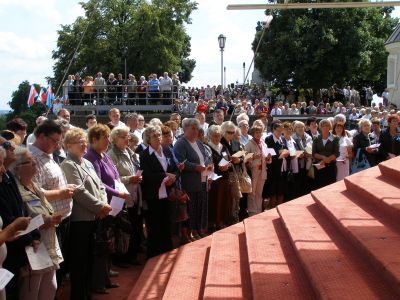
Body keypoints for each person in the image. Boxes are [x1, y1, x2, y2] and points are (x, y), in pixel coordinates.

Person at [60, 128, 111, 300]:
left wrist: (103, 203)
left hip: (94, 217)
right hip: (80, 220)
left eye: (84, 141)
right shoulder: (68, 165)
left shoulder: (87, 162)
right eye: (79, 142)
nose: (84, 144)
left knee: (90, 259)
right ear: (68, 146)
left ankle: (87, 293)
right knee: (79, 261)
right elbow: (79, 192)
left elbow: (101, 185)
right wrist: (100, 207)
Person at [10, 147, 63, 300]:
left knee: (50, 289)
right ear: (17, 168)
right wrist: (43, 222)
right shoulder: (16, 191)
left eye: (34, 160)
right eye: (29, 161)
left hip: (49, 244)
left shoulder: (35, 186)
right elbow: (18, 223)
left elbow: (46, 210)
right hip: (33, 248)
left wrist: (51, 219)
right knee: (32, 293)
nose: (34, 163)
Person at [84, 124, 130, 290]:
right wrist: (118, 193)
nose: (108, 141)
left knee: (109, 242)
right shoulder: (91, 157)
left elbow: (115, 176)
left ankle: (105, 277)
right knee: (101, 245)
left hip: (114, 204)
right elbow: (99, 182)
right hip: (103, 206)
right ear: (94, 139)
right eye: (105, 138)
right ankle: (99, 282)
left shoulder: (104, 155)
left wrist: (120, 191)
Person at [0, 138, 41, 300]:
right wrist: (14, 229)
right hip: (11, 252)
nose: (2, 169)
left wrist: (34, 236)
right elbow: (9, 217)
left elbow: (22, 210)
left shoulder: (7, 175)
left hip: (12, 254)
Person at [108, 126, 143, 265]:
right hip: (122, 198)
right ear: (114, 139)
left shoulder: (130, 152)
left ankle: (131, 255)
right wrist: (130, 179)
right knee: (123, 230)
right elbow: (112, 179)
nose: (127, 139)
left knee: (135, 227)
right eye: (123, 136)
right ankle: (122, 258)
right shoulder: (111, 154)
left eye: (127, 136)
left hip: (134, 196)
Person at [140, 125, 177, 257]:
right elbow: (147, 176)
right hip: (153, 195)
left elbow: (175, 167)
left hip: (167, 192)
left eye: (159, 135)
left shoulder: (167, 150)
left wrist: (173, 177)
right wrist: (165, 176)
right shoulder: (145, 155)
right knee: (154, 224)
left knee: (166, 221)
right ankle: (154, 252)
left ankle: (167, 248)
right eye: (155, 136)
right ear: (148, 139)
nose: (158, 138)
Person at [174, 118, 212, 239]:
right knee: (191, 209)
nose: (196, 131)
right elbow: (180, 161)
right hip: (189, 182)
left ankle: (198, 229)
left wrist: (208, 166)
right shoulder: (181, 143)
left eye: (197, 128)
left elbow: (205, 157)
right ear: (185, 129)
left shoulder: (199, 142)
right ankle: (188, 233)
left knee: (200, 207)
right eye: (193, 128)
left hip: (202, 179)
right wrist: (195, 167)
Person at [245, 125, 271, 216]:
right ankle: (252, 210)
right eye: (256, 132)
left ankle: (258, 209)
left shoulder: (264, 143)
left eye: (260, 132)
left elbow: (268, 159)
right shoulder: (249, 143)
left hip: (263, 169)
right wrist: (253, 157)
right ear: (252, 133)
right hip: (253, 170)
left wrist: (268, 158)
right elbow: (245, 158)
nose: (258, 134)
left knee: (259, 191)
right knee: (252, 191)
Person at [220, 121, 244, 224]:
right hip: (227, 174)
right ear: (224, 132)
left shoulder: (235, 142)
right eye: (229, 132)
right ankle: (228, 219)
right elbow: (221, 159)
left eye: (233, 132)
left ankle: (235, 217)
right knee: (228, 198)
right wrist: (230, 161)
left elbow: (242, 155)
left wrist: (239, 160)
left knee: (237, 197)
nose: (232, 134)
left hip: (237, 172)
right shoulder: (220, 143)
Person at [264, 121, 289, 208]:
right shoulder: (269, 139)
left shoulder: (283, 139)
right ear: (273, 130)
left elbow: (287, 150)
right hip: (273, 169)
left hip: (282, 169)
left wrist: (287, 153)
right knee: (273, 191)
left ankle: (280, 208)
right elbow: (269, 153)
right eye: (278, 130)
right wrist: (280, 154)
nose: (280, 132)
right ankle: (272, 208)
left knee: (281, 190)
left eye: (281, 130)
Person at [312, 119, 339, 189]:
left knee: (330, 186)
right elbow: (314, 153)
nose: (325, 127)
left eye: (327, 125)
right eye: (323, 126)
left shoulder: (335, 138)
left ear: (330, 127)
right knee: (319, 186)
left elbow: (337, 153)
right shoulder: (316, 138)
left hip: (331, 165)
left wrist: (327, 160)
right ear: (320, 127)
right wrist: (323, 158)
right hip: (319, 165)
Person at [292, 121, 313, 197]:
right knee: (297, 183)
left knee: (306, 182)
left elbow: (311, 148)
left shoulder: (309, 137)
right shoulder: (292, 138)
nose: (300, 128)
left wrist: (309, 153)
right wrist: (300, 154)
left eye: (302, 127)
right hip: (297, 164)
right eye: (298, 127)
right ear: (295, 129)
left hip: (308, 163)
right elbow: (292, 150)